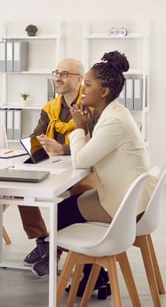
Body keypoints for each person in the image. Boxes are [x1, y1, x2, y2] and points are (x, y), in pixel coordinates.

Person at [56, 50, 156, 297]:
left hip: (125, 206)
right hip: (128, 198)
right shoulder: (112, 114)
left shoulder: (113, 121)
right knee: (66, 208)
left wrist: (79, 127)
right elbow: (91, 155)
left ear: (104, 92)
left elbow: (81, 161)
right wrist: (87, 126)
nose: (82, 89)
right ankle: (96, 277)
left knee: (61, 212)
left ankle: (93, 275)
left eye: (88, 84)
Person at [17, 58, 89, 278]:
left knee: (78, 195)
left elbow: (91, 143)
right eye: (56, 72)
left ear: (79, 79)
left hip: (82, 168)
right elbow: (35, 137)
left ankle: (56, 251)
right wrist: (29, 150)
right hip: (55, 167)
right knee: (20, 188)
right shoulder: (50, 108)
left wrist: (62, 149)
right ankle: (43, 241)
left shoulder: (88, 106)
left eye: (64, 74)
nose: (57, 77)